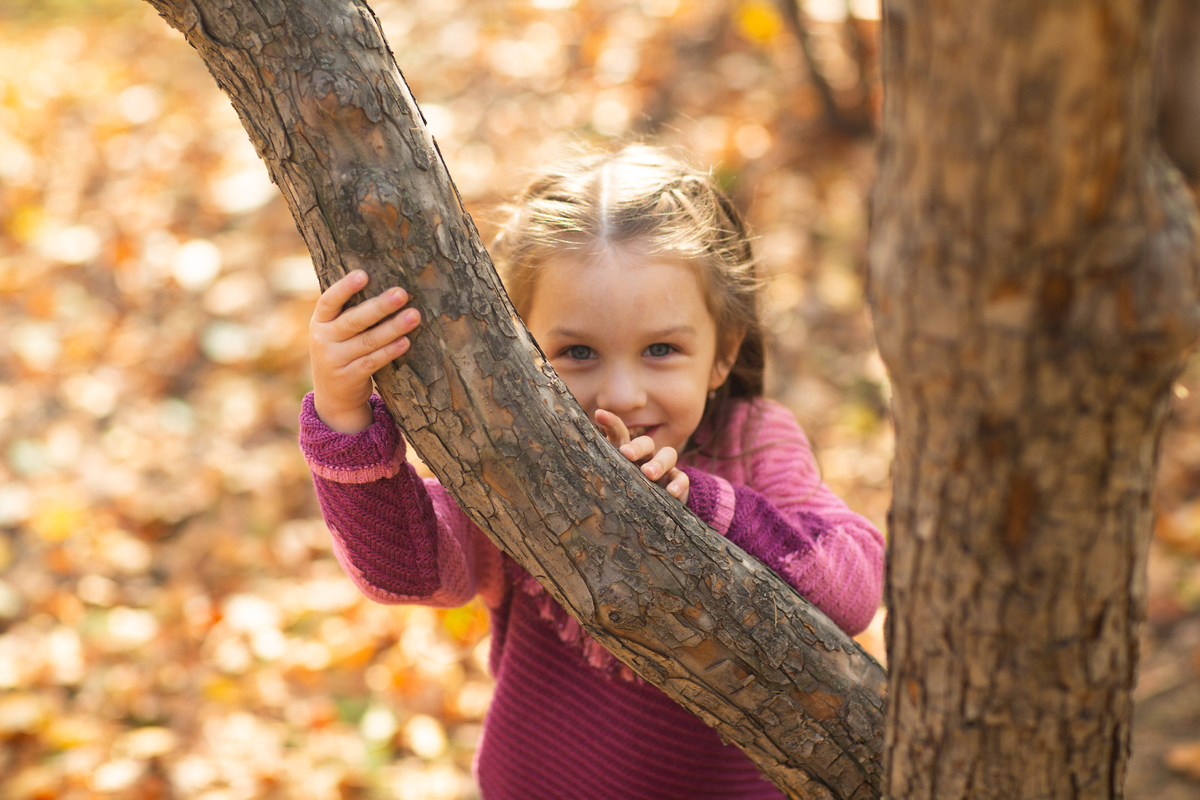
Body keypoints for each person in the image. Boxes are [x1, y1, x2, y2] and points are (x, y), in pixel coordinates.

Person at [300, 144, 885, 799]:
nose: (622, 395)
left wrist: (698, 508)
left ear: (722, 354)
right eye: (577, 352)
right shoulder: (517, 459)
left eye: (661, 349)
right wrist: (343, 414)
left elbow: (856, 589)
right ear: (518, 350)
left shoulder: (748, 440)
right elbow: (405, 571)